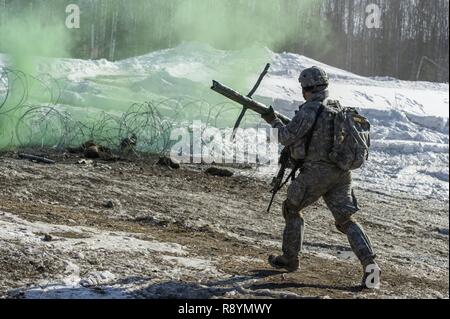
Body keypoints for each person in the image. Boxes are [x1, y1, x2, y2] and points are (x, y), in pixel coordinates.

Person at [262, 66, 380, 288]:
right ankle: (371, 267)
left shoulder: (309, 110)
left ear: (306, 87)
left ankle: (290, 258)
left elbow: (286, 136)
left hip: (317, 173)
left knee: (291, 208)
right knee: (346, 220)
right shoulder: (336, 107)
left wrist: (273, 120)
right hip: (341, 172)